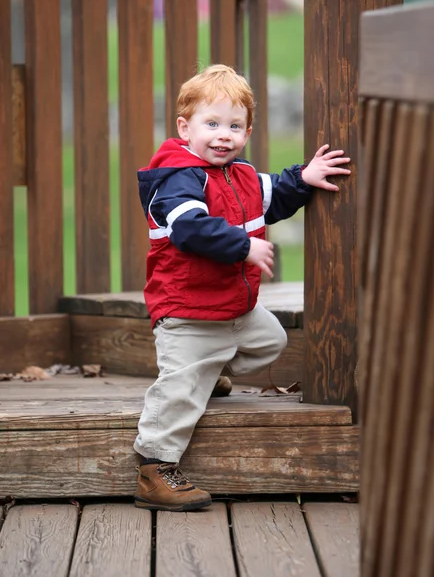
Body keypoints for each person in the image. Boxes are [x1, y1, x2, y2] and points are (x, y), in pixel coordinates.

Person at [134, 64, 351, 511]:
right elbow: (190, 228)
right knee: (178, 390)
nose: (222, 136)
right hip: (188, 311)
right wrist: (242, 246)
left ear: (247, 131)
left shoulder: (241, 174)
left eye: (234, 126)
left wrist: (304, 178)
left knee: (271, 340)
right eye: (210, 124)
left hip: (235, 309)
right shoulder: (177, 177)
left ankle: (212, 372)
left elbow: (274, 193)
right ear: (184, 127)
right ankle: (155, 468)